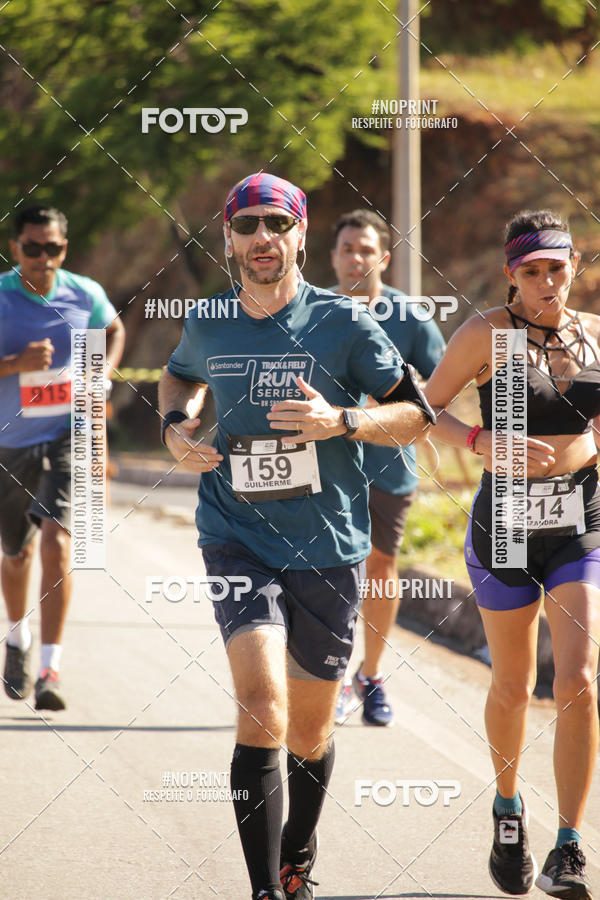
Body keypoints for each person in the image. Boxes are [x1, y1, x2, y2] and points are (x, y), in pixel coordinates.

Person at [159, 172, 434, 900]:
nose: (261, 239)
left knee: (309, 733)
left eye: (275, 225)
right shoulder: (209, 319)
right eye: (246, 227)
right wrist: (174, 429)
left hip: (328, 547)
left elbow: (414, 415)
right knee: (260, 704)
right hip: (235, 533)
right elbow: (178, 379)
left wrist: (342, 421)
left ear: (300, 234)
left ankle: (297, 851)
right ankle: (263, 891)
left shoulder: (344, 323)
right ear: (228, 238)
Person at [425, 210, 599, 899]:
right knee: (512, 684)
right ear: (512, 276)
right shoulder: (483, 336)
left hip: (581, 519)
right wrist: (478, 444)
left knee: (580, 679)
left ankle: (570, 846)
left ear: (575, 266)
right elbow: (424, 408)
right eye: (532, 271)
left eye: (557, 267)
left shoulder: (595, 336)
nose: (546, 281)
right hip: (505, 522)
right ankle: (506, 807)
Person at [0, 204, 125, 711]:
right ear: (16, 249)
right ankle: (18, 637)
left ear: (64, 249)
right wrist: (15, 364)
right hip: (9, 441)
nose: (43, 258)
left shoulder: (85, 293)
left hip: (67, 432)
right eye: (33, 248)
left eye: (52, 249)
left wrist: (101, 373)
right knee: (17, 553)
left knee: (57, 538)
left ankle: (51, 667)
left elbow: (113, 331)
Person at [330, 209, 445, 726]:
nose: (356, 257)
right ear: (332, 256)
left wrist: (401, 404)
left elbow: (443, 385)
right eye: (347, 248)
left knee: (379, 568)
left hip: (389, 466)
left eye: (366, 249)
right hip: (324, 466)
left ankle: (370, 676)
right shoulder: (313, 311)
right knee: (325, 572)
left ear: (384, 256)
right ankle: (324, 673)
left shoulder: (411, 316)